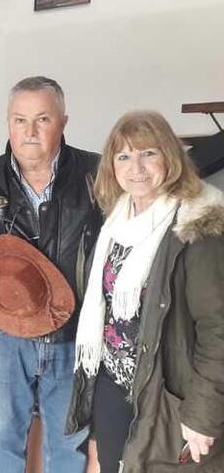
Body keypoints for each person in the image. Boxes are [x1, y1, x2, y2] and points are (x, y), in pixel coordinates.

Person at [0, 76, 102, 472]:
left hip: (74, 331)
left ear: (63, 123)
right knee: (1, 438)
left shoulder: (96, 175)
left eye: (42, 120)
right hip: (4, 333)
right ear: (7, 123)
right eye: (19, 120)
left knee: (69, 442)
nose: (29, 131)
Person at [66, 111, 224, 472]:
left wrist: (203, 415)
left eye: (148, 153)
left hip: (165, 391)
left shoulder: (197, 224)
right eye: (124, 156)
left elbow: (218, 330)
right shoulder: (117, 220)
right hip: (113, 383)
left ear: (169, 157)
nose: (135, 166)